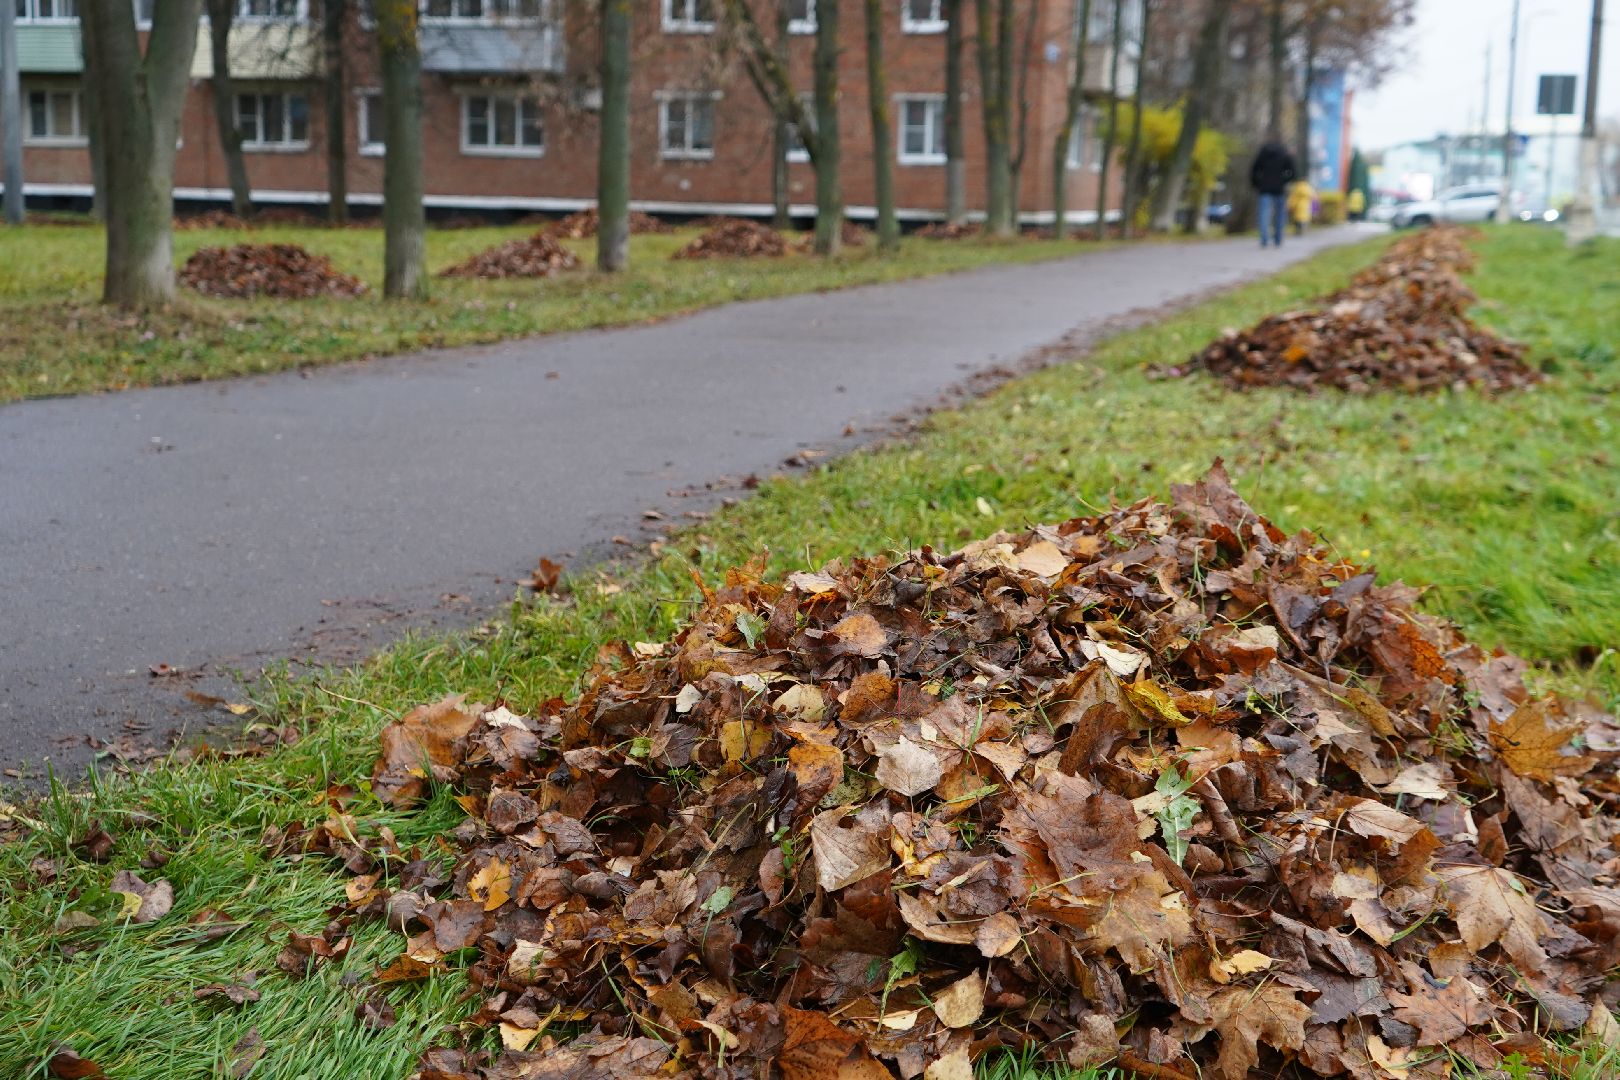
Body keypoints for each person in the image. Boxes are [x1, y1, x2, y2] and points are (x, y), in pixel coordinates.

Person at [1250, 133, 1297, 248]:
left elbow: (1254, 169)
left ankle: (1264, 239)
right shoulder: (1284, 153)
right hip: (1279, 189)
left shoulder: (1263, 153)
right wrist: (1284, 181)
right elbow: (1293, 172)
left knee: (1264, 214)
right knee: (1280, 215)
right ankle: (1278, 238)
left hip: (1264, 188)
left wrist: (1257, 184)